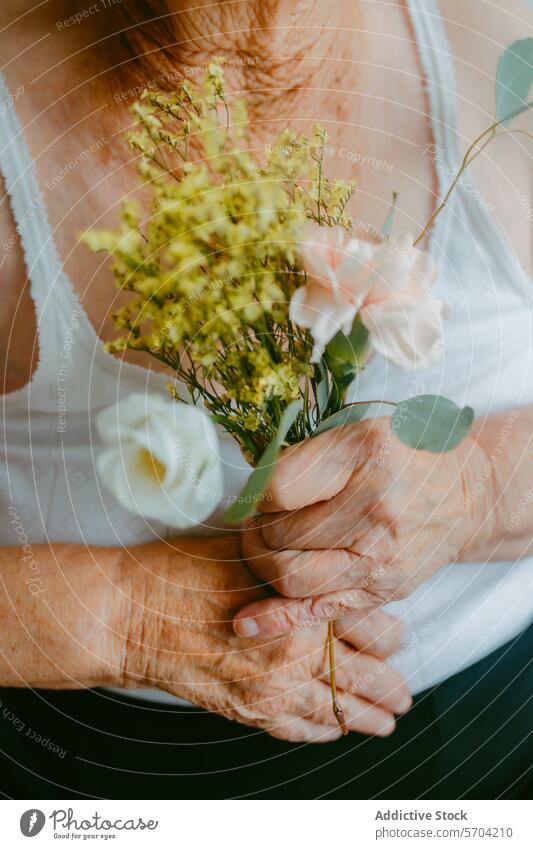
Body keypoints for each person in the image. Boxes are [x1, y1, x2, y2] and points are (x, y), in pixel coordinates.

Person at [0, 0, 531, 799]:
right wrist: (129, 615)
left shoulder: (496, 34)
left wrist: (477, 488)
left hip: (503, 705)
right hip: (118, 758)